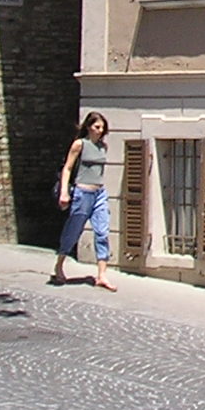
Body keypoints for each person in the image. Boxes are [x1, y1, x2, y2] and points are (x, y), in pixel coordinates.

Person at [53, 111, 116, 290]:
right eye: (97, 127)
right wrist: (64, 193)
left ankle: (102, 275)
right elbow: (67, 168)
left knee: (102, 231)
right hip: (82, 192)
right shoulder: (80, 144)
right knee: (73, 231)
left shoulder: (103, 147)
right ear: (88, 127)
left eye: (102, 128)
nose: (100, 130)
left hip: (99, 193)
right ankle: (59, 265)